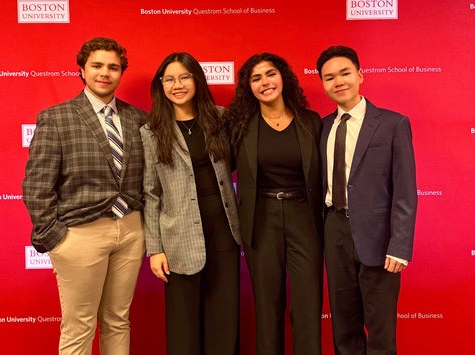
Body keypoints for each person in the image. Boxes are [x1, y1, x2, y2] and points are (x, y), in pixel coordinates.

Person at [22, 37, 147, 355]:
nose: (105, 73)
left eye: (113, 67)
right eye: (97, 65)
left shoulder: (139, 119)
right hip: (80, 234)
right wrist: (57, 238)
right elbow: (36, 187)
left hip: (131, 231)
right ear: (82, 69)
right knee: (80, 326)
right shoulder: (56, 118)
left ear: (121, 73)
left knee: (118, 321)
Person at [316, 45, 417, 355]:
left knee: (381, 332)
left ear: (359, 75)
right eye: (329, 77)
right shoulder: (321, 127)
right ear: (322, 83)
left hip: (379, 239)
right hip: (335, 234)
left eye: (345, 73)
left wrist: (400, 247)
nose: (338, 81)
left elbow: (405, 190)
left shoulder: (392, 123)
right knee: (344, 330)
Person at [141, 52, 241, 355]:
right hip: (178, 235)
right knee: (183, 322)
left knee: (224, 316)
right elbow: (151, 193)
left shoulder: (222, 118)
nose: (177, 85)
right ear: (161, 85)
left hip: (224, 228)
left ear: (197, 79)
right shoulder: (152, 131)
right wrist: (155, 248)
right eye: (169, 79)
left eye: (184, 77)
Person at [224, 53, 323, 355]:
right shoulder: (239, 125)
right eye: (256, 78)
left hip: (304, 217)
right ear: (248, 87)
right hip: (260, 219)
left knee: (308, 304)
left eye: (270, 74)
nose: (265, 82)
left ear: (283, 77)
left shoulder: (311, 121)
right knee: (268, 305)